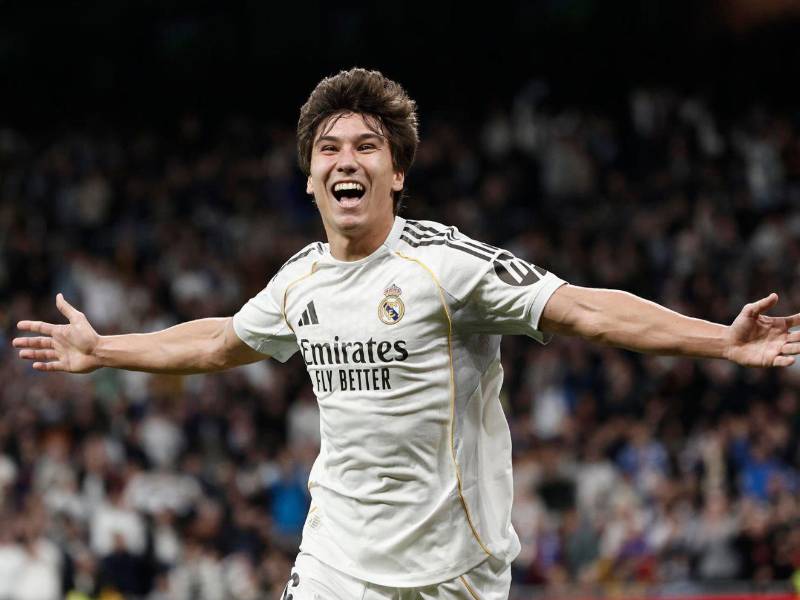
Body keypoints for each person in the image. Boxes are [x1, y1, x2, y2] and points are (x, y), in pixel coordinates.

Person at [13, 68, 800, 599]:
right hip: (334, 563)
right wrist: (105, 348)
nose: (345, 159)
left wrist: (718, 341)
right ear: (310, 175)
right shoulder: (300, 278)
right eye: (329, 148)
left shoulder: (446, 266)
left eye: (366, 146)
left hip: (452, 572)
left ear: (397, 173)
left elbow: (585, 309)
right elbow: (221, 341)